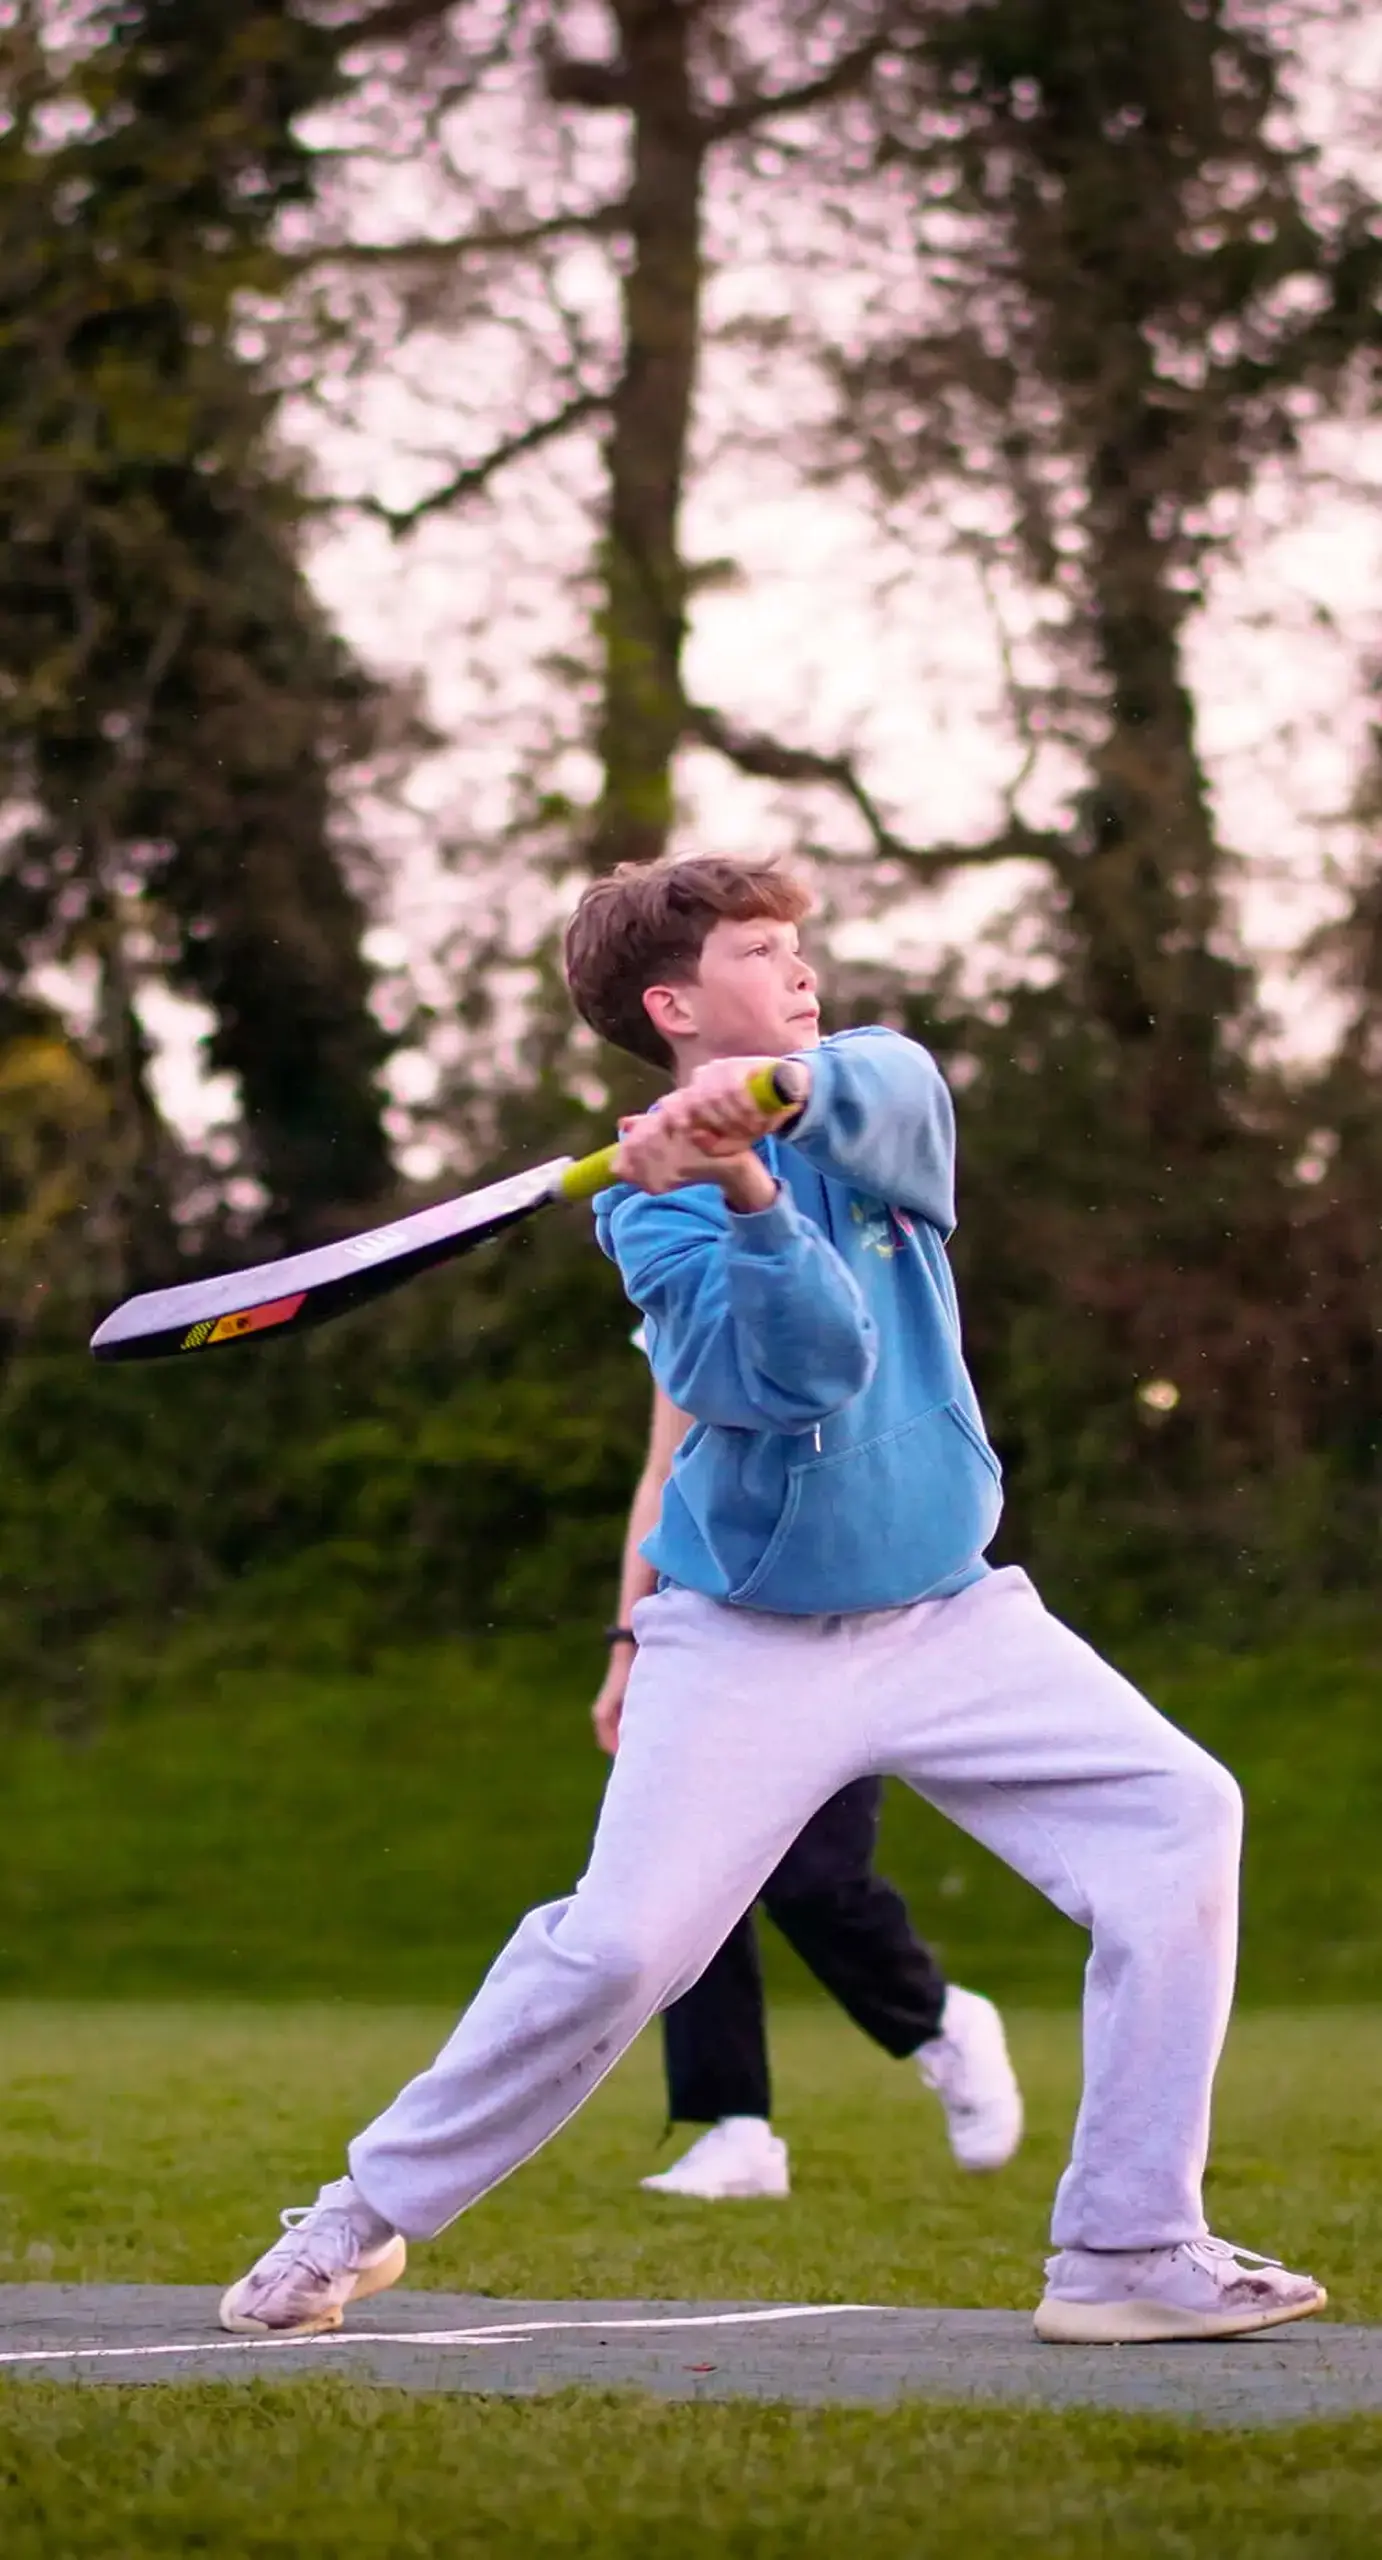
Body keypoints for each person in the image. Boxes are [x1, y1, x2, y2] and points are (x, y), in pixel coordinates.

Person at [220, 851, 1326, 2347]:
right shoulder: (648, 1215)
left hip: (953, 1613)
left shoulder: (870, 1086)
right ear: (672, 1002)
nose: (800, 970)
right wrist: (736, 1191)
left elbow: (888, 1089)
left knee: (1179, 1816)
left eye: (799, 944)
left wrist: (771, 1113)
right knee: (619, 1950)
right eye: (759, 949)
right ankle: (358, 2218)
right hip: (742, 1639)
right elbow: (804, 1373)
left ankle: (1128, 2248)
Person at [593, 1374, 1022, 2196]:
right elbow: (663, 1474)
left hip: (839, 1619)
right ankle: (736, 2126)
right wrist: (626, 1646)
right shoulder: (678, 1279)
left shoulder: (845, 1278)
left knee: (815, 1880)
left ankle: (937, 2020)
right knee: (685, 1880)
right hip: (712, 1630)